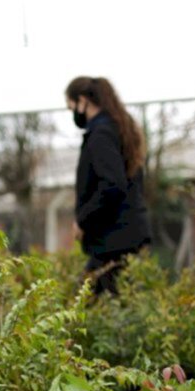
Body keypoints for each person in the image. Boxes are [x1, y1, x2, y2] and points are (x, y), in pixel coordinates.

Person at [66, 76, 151, 295]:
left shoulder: (101, 134)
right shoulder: (119, 128)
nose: (73, 114)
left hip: (113, 241)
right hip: (124, 236)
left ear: (83, 101)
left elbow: (112, 185)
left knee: (87, 305)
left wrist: (83, 220)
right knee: (113, 303)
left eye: (72, 107)